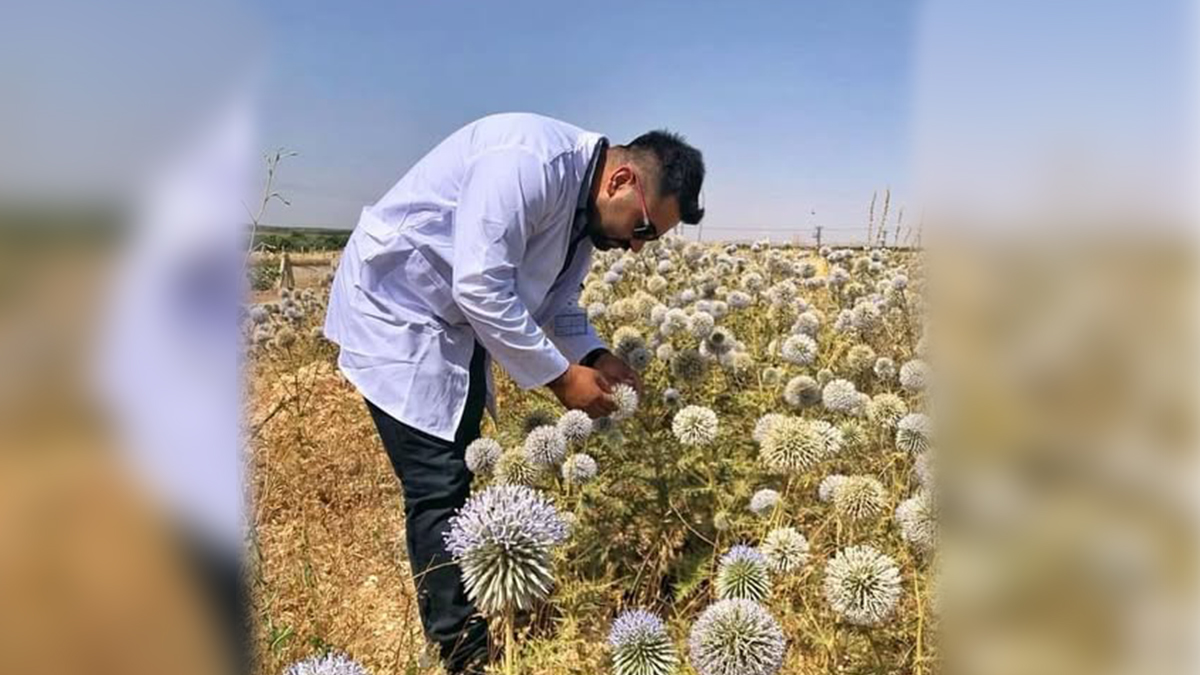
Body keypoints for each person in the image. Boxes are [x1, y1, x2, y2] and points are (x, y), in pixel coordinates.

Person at [322, 112, 705, 674]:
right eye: (643, 229)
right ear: (621, 181)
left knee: (458, 466)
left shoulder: (584, 217)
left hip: (451, 326)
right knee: (437, 485)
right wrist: (561, 379)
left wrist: (595, 357)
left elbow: (556, 305)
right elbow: (480, 286)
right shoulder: (528, 162)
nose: (635, 248)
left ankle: (472, 613)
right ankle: (462, 653)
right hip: (398, 311)